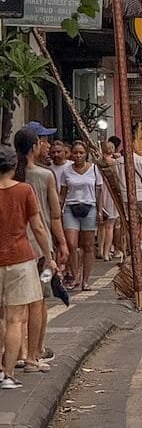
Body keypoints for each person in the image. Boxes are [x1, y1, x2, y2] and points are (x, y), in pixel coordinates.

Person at [0, 144, 56, 390]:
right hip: (21, 260)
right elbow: (38, 226)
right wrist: (48, 255)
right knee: (14, 319)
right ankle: (8, 374)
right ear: (14, 166)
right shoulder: (24, 190)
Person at [13, 128, 67, 374]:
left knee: (16, 306)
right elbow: (54, 217)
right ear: (34, 146)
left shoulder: (9, 177)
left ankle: (19, 352)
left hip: (14, 252)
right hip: (41, 253)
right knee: (40, 301)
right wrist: (61, 245)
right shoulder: (45, 176)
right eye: (41, 141)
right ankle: (35, 353)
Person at [58, 141, 103, 291]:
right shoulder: (66, 171)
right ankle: (75, 275)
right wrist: (57, 210)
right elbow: (63, 193)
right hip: (70, 208)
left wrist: (100, 210)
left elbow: (99, 192)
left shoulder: (95, 170)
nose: (78, 156)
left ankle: (85, 280)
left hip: (89, 207)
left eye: (81, 153)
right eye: (75, 153)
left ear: (86, 154)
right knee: (71, 244)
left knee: (88, 245)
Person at [97, 140, 120, 261]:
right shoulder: (114, 163)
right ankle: (106, 252)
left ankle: (100, 249)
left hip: (100, 193)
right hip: (111, 194)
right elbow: (118, 180)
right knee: (110, 226)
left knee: (101, 225)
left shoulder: (97, 163)